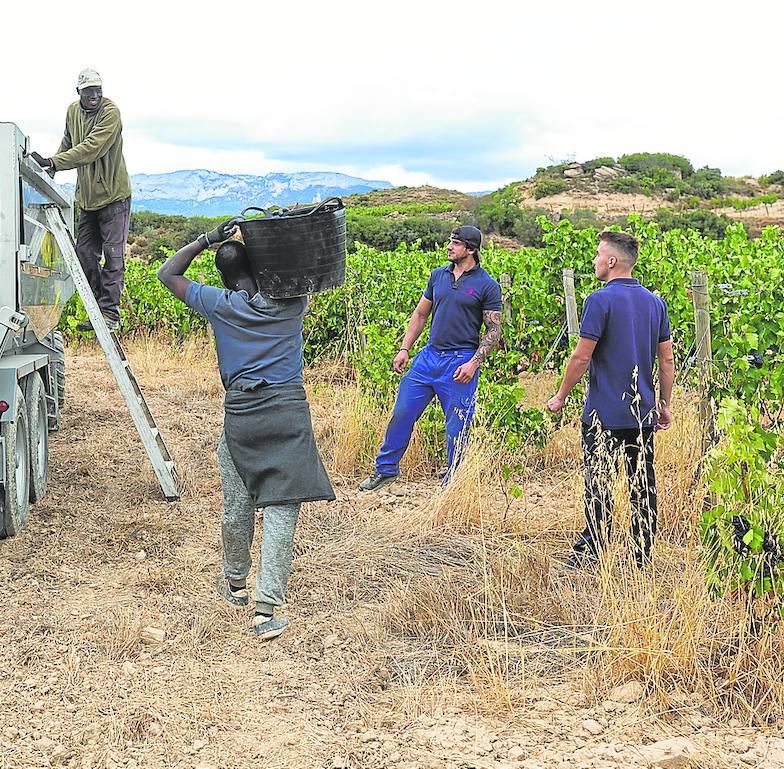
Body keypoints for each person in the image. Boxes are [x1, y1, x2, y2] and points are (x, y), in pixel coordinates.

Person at [156, 222, 335, 641]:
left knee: (237, 504)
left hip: (241, 415)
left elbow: (167, 274)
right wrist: (268, 240)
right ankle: (266, 610)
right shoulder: (292, 302)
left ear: (223, 278)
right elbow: (303, 265)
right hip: (287, 411)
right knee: (282, 506)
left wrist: (207, 239)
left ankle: (235, 585)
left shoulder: (219, 304)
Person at [546, 230, 675, 569]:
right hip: (641, 416)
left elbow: (581, 357)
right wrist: (664, 404)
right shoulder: (655, 302)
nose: (594, 260)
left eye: (598, 255)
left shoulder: (598, 300)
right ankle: (641, 558)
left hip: (603, 415)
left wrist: (560, 396)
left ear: (612, 261)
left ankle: (592, 553)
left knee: (598, 485)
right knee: (642, 487)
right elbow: (667, 360)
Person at [358, 225, 503, 492]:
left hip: (460, 361)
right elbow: (420, 314)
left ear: (470, 249)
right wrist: (405, 348)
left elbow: (493, 329)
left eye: (456, 243)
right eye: (450, 242)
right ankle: (386, 470)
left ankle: (454, 484)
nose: (449, 246)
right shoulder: (438, 276)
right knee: (402, 412)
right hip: (428, 357)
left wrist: (473, 363)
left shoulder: (487, 285)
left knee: (457, 425)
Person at [30, 68, 132, 331]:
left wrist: (55, 161)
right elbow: (69, 142)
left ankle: (110, 312)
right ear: (79, 93)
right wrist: (49, 166)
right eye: (88, 91)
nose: (94, 95)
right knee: (84, 253)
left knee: (113, 255)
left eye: (98, 90)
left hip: (113, 196)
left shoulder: (111, 113)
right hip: (87, 199)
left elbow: (91, 148)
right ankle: (99, 305)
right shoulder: (72, 111)